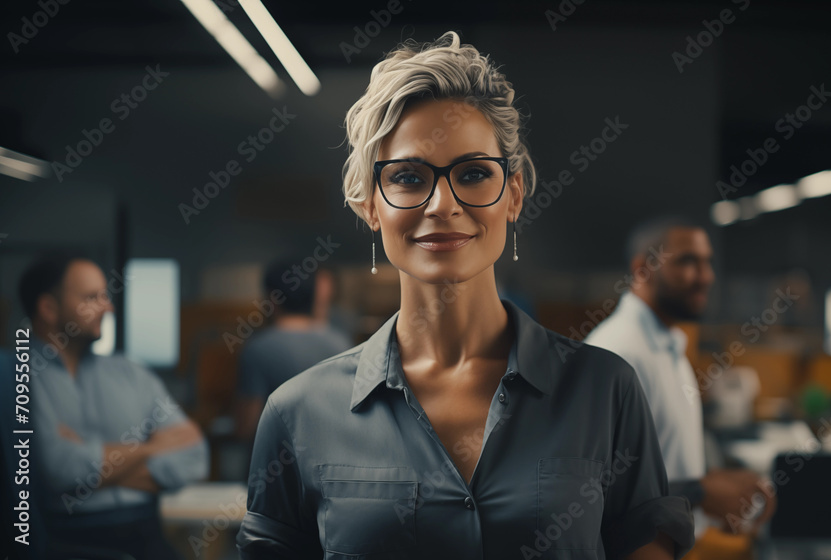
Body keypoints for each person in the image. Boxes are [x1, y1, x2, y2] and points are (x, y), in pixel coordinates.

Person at [236, 32, 694, 559]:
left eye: (474, 173)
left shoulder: (605, 391)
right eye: (408, 177)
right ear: (370, 206)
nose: (442, 204)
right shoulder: (297, 412)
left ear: (513, 195)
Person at [586, 217, 777, 544]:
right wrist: (699, 492)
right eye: (688, 261)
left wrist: (716, 483)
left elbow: (654, 466)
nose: (706, 276)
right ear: (642, 269)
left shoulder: (667, 344)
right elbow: (590, 489)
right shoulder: (616, 353)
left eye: (707, 262)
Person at [20, 254, 209, 560]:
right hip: (64, 541)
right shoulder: (16, 377)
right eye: (91, 298)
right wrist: (150, 447)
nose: (108, 307)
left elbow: (194, 457)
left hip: (147, 533)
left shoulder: (132, 373)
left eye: (105, 296)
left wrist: (89, 455)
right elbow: (56, 469)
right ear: (48, 308)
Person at [234, 258, 353, 441]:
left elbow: (247, 426)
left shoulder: (258, 349)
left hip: (275, 461)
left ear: (272, 299)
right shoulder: (341, 343)